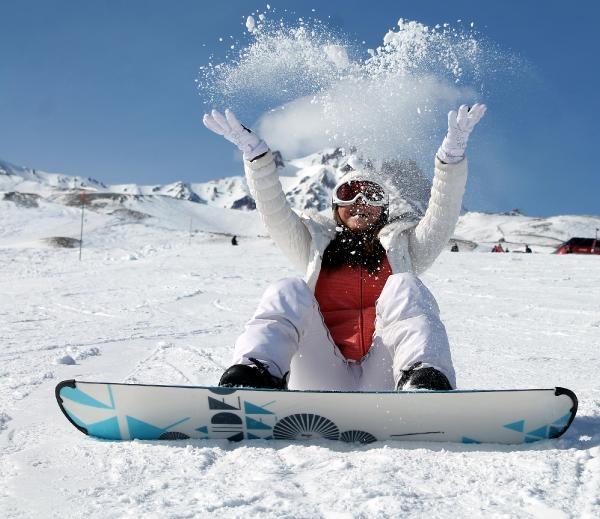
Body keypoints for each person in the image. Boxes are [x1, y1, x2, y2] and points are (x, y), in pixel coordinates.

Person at [203, 103, 486, 391]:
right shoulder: (314, 247)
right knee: (287, 288)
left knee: (406, 285)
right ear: (337, 208)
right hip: (322, 372)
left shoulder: (405, 250)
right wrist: (256, 156)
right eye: (349, 195)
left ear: (384, 210)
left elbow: (442, 214)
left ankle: (424, 381)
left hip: (384, 375)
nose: (360, 203)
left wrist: (450, 159)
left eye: (372, 196)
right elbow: (273, 210)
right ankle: (254, 377)